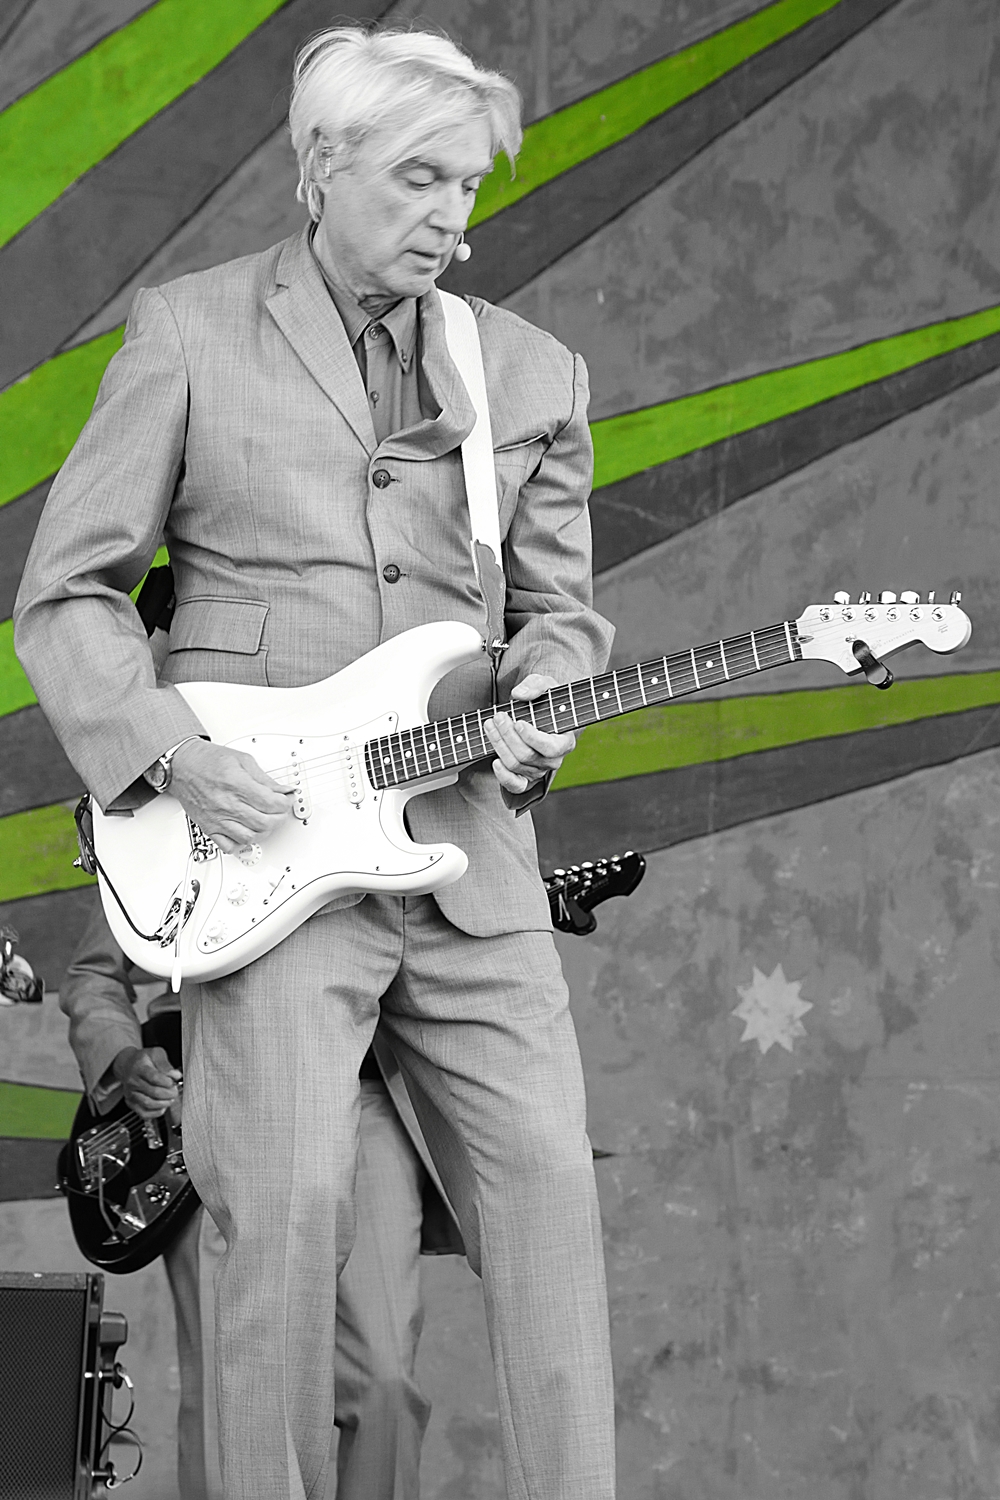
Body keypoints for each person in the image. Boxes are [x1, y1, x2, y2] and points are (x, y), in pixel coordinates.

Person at [15, 26, 617, 1500]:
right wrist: (169, 753)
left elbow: (558, 617)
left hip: (468, 856)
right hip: (263, 853)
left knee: (550, 1213)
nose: (449, 215)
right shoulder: (189, 331)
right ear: (321, 164)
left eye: (467, 185)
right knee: (275, 1228)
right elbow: (69, 592)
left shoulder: (528, 368)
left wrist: (546, 697)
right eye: (418, 178)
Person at [61, 894, 462, 1500]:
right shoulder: (173, 829)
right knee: (229, 1391)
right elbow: (93, 973)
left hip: (363, 1088)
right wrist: (122, 1056)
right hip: (217, 1083)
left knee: (386, 1381)